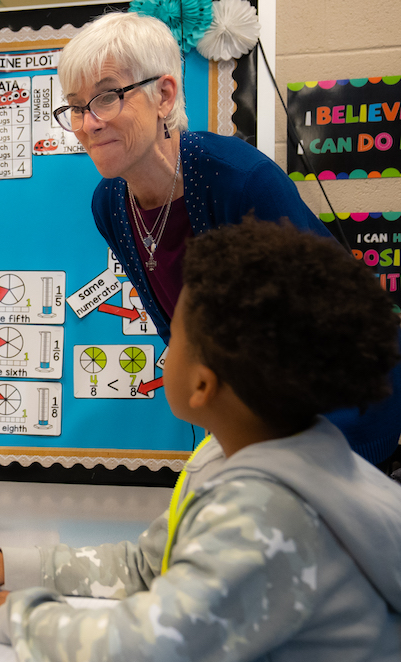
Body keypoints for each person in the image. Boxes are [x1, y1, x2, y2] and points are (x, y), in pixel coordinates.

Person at [0, 219, 401, 662]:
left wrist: (18, 619)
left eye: (176, 337)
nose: (164, 354)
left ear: (203, 385)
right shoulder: (240, 454)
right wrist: (2, 564)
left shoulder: (266, 511)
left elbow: (142, 652)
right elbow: (149, 568)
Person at [54, 10, 401, 464]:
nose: (88, 124)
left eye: (106, 98)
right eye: (76, 106)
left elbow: (323, 330)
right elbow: (178, 329)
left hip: (342, 410)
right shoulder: (109, 205)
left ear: (164, 95)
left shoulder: (239, 180)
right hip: (252, 414)